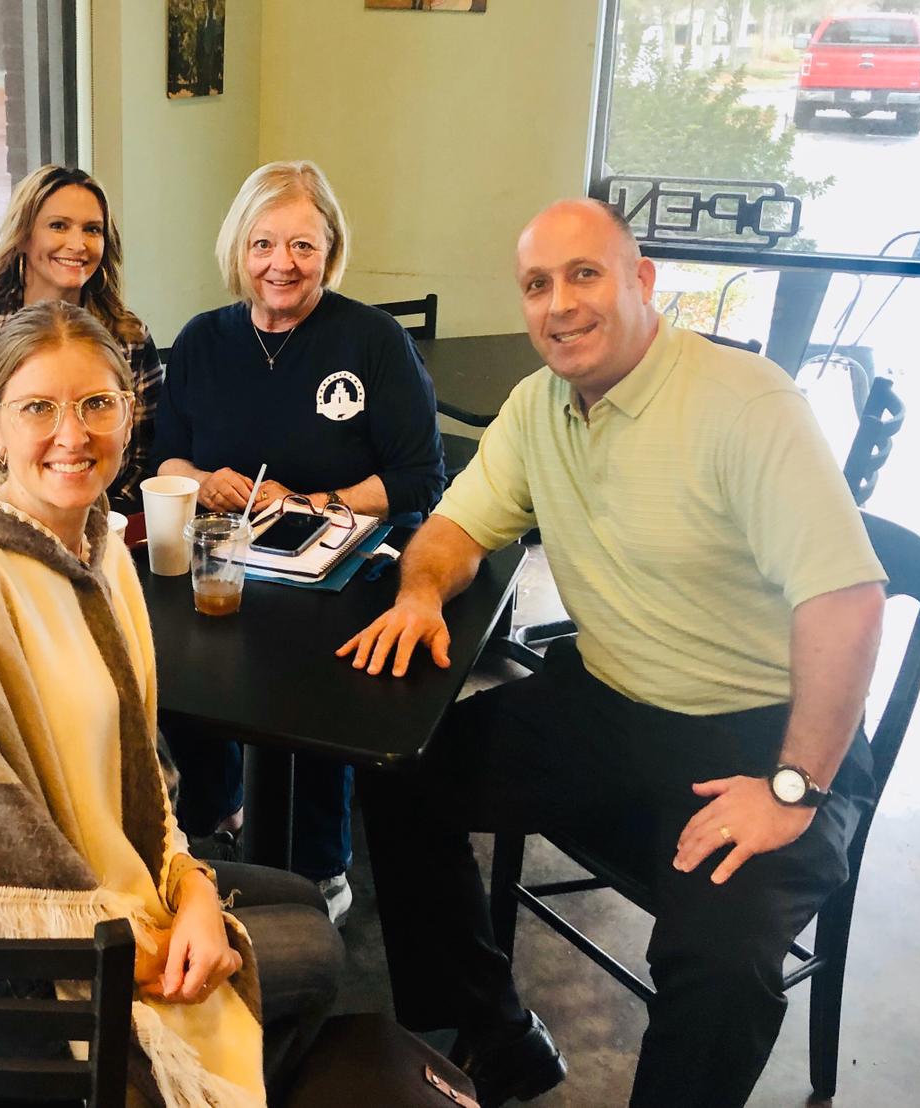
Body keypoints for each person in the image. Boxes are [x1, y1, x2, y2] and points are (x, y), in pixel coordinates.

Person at [338, 198, 886, 1108]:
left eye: (584, 275)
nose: (560, 305)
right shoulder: (538, 405)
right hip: (606, 702)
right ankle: (493, 1030)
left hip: (764, 739)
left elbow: (849, 602)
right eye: (537, 285)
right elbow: (455, 526)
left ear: (641, 282)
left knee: (719, 956)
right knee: (399, 770)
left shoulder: (745, 405)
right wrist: (422, 593)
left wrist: (794, 788)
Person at [0, 300, 344, 1105]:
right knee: (315, 947)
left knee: (306, 896)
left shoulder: (100, 549)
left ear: (130, 415)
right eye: (39, 408)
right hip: (9, 975)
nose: (74, 434)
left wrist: (193, 887)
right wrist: (145, 940)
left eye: (98, 403)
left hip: (101, 883)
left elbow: (134, 771)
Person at [152, 160, 445, 920]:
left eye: (303, 247)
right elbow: (168, 458)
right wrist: (206, 475)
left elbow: (417, 478)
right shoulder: (201, 341)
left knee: (317, 687)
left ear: (331, 251)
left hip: (342, 565)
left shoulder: (373, 340)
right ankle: (216, 816)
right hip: (229, 558)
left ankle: (318, 864)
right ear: (238, 250)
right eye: (264, 244)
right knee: (182, 659)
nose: (282, 264)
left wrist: (307, 502)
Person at [0, 164, 162, 508]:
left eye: (92, 229)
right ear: (24, 236)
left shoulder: (129, 337)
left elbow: (143, 457)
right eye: (58, 226)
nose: (78, 244)